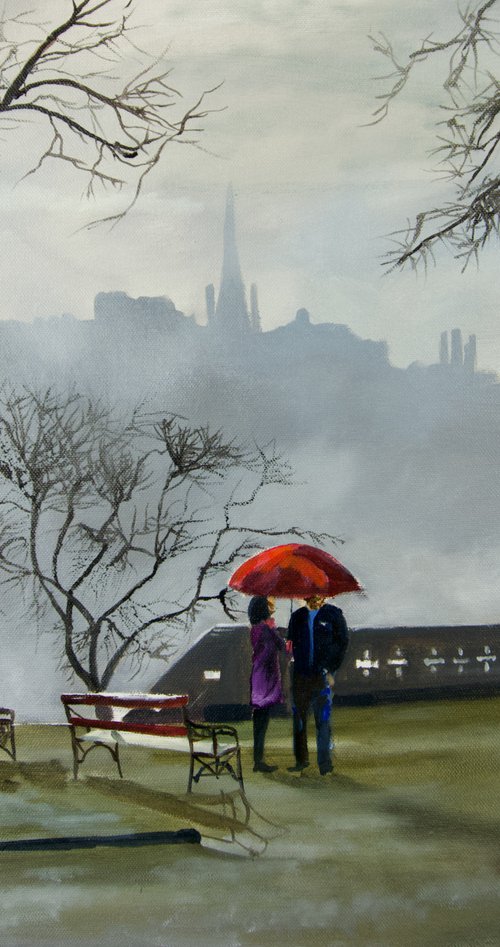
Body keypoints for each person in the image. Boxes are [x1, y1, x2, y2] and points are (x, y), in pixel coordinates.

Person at [287, 594, 349, 775]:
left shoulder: (334, 615)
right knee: (299, 720)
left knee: (323, 721)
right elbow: (290, 644)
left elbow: (342, 643)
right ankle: (301, 760)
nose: (316, 599)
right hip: (301, 676)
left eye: (320, 596)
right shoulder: (297, 616)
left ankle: (325, 763)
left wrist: (332, 670)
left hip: (322, 676)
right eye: (312, 596)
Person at [248, 594, 285, 773]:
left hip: (258, 679)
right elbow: (278, 647)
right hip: (266, 680)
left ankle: (258, 759)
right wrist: (274, 630)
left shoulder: (255, 629)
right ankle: (259, 761)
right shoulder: (265, 630)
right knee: (262, 722)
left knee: (259, 722)